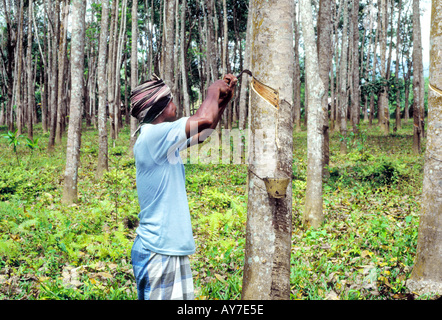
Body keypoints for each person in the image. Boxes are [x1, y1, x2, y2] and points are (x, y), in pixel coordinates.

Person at [129, 73, 237, 300]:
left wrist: (223, 100)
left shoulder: (161, 139)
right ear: (158, 105)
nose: (174, 103)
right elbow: (204, 119)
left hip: (165, 248)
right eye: (169, 99)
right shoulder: (154, 135)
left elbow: (203, 132)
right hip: (158, 251)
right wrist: (212, 90)